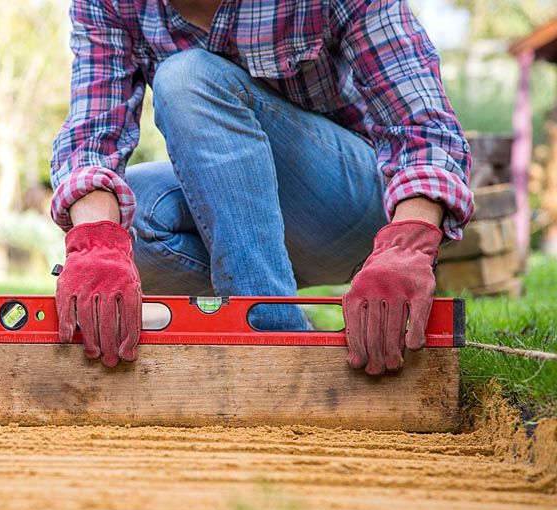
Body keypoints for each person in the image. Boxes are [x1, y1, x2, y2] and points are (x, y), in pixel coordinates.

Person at [50, 0, 474, 375]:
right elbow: (92, 140)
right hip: (239, 226)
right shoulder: (106, 5)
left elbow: (425, 129)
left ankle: (275, 343)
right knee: (133, 214)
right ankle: (274, 313)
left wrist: (407, 244)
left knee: (186, 78)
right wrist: (96, 246)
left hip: (355, 211)